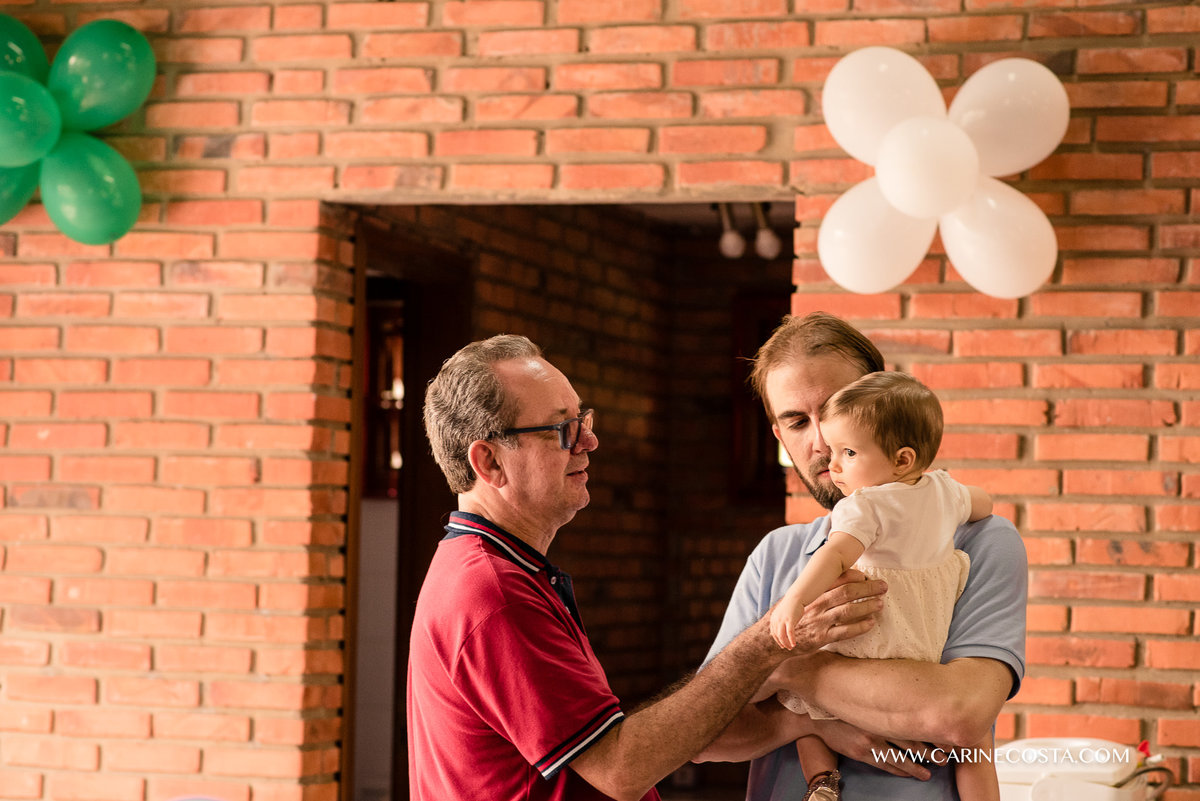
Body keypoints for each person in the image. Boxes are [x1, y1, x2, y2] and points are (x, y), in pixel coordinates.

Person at [407, 333, 888, 801]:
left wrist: (795, 711)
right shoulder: (494, 593)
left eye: (584, 419)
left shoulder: (503, 571)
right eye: (562, 430)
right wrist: (772, 641)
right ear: (489, 462)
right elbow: (619, 770)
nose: (590, 441)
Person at [695, 312, 1028, 801]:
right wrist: (808, 725)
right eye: (796, 421)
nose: (821, 443)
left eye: (833, 411)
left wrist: (788, 670)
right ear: (779, 437)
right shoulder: (775, 553)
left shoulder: (980, 541)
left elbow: (958, 713)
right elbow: (702, 733)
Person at [766, 371, 999, 801]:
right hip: (924, 649)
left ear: (902, 459)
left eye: (848, 452)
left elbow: (834, 555)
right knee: (976, 741)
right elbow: (983, 503)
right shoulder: (945, 490)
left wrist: (794, 601)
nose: (832, 464)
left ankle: (821, 782)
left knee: (800, 706)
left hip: (871, 639)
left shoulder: (863, 507)